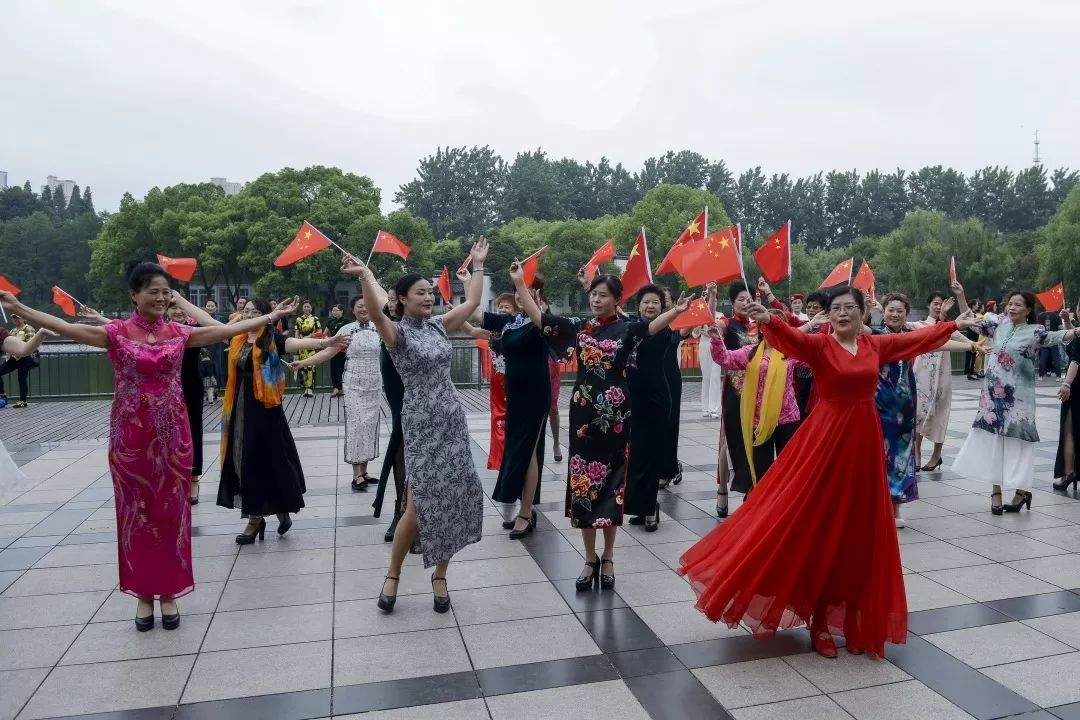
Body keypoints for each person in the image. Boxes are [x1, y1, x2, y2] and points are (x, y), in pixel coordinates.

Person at [0, 262, 297, 631]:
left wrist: (271, 315)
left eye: (164, 291)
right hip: (130, 440)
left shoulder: (179, 332)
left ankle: (169, 592)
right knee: (135, 516)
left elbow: (226, 330)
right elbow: (65, 327)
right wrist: (20, 309)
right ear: (134, 295)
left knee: (172, 515)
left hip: (174, 438)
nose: (159, 298)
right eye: (152, 291)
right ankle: (143, 594)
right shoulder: (116, 333)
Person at [680, 286, 971, 659]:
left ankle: (851, 618)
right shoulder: (820, 346)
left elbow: (914, 340)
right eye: (837, 308)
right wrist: (769, 319)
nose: (843, 313)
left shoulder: (874, 347)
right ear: (830, 315)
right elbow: (791, 340)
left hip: (864, 446)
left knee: (858, 532)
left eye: (851, 307)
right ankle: (818, 620)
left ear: (864, 313)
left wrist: (948, 325)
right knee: (819, 526)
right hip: (825, 443)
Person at [513, 268, 690, 592]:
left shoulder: (628, 329)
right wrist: (519, 284)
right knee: (583, 488)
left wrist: (676, 311)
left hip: (616, 418)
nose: (596, 299)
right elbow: (540, 318)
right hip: (583, 417)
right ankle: (589, 557)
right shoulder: (580, 328)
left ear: (616, 300)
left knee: (611, 488)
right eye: (593, 294)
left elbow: (651, 327)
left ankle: (608, 557)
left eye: (603, 295)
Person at [342, 239, 489, 615]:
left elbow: (472, 304)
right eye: (420, 293)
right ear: (403, 299)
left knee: (456, 494)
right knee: (418, 502)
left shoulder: (440, 326)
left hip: (451, 416)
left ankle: (440, 575)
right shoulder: (399, 334)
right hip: (421, 419)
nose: (428, 298)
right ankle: (393, 573)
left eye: (429, 292)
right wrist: (364, 278)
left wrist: (479, 266)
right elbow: (376, 316)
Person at [218, 299, 346, 544]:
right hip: (239, 410)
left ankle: (276, 511)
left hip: (266, 413)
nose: (249, 316)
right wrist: (178, 298)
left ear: (267, 316)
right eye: (246, 312)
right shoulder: (237, 338)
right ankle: (256, 518)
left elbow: (297, 343)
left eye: (255, 312)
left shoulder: (272, 340)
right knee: (243, 461)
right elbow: (209, 325)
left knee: (269, 462)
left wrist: (326, 342)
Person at [952, 283, 1079, 514]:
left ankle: (1021, 491)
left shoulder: (1035, 331)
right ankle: (996, 491)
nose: (1012, 307)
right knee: (995, 444)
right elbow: (971, 319)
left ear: (1028, 310)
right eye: (1010, 303)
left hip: (1019, 400)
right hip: (992, 397)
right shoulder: (997, 324)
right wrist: (961, 295)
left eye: (1018, 304)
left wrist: (1077, 330)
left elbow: (1057, 336)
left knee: (1018, 444)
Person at [480, 282, 551, 539]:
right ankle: (521, 506)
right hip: (515, 396)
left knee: (529, 451)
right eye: (518, 293)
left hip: (535, 396)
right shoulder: (511, 322)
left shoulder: (544, 321)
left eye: (527, 294)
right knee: (517, 450)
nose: (521, 297)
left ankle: (526, 512)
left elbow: (541, 322)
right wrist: (473, 274)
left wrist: (523, 285)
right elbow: (475, 315)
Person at [290, 295, 382, 491]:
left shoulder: (380, 327)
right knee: (357, 426)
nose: (364, 309)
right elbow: (327, 352)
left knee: (369, 426)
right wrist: (303, 363)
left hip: (374, 383)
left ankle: (365, 471)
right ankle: (356, 474)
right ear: (353, 310)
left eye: (367, 306)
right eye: (359, 306)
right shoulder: (346, 330)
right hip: (354, 384)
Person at [709, 308, 805, 487]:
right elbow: (724, 358)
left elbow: (815, 357)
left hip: (787, 419)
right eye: (766, 324)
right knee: (762, 473)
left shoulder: (792, 351)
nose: (771, 328)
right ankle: (763, 508)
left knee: (789, 470)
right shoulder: (750, 352)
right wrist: (716, 339)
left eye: (777, 325)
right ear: (760, 327)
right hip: (758, 421)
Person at [624, 285, 684, 531]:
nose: (650, 306)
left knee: (651, 455)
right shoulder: (631, 328)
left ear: (662, 307)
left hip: (657, 399)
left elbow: (662, 329)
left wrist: (676, 311)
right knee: (635, 456)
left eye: (655, 303)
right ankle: (639, 506)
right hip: (632, 399)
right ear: (638, 306)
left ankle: (650, 509)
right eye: (646, 302)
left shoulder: (665, 329)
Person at [913, 292, 979, 472]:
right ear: (928, 305)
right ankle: (916, 452)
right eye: (935, 303)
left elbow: (967, 342)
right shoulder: (919, 325)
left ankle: (936, 455)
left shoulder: (949, 328)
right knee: (919, 413)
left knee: (941, 413)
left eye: (941, 304)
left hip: (942, 378)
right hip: (922, 376)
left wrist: (977, 346)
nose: (938, 306)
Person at [0, 313, 47, 407]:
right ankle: (2, 395)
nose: (15, 319)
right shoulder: (12, 330)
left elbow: (31, 343)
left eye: (17, 317)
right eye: (13, 318)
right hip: (14, 358)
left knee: (21, 378)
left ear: (23, 318)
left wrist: (20, 349)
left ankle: (23, 401)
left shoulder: (28, 328)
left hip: (25, 358)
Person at [1053, 336, 1080, 492]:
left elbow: (1075, 361)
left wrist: (1066, 384)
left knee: (1069, 430)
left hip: (1076, 388)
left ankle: (1069, 472)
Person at [693, 285, 723, 418]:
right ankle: (705, 407)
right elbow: (694, 334)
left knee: (715, 376)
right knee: (706, 377)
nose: (712, 302)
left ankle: (715, 408)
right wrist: (700, 328)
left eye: (715, 300)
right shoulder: (700, 315)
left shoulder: (720, 316)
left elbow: (721, 333)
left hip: (716, 346)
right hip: (704, 346)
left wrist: (711, 333)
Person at [291, 301, 323, 397]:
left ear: (311, 308)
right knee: (302, 366)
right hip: (301, 345)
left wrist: (311, 336)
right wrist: (295, 344)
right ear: (302, 308)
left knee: (311, 366)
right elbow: (296, 332)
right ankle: (305, 388)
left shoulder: (315, 319)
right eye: (304, 307)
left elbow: (320, 331)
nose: (306, 308)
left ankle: (310, 388)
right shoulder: (298, 319)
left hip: (311, 344)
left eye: (308, 307)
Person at [325, 304, 349, 397]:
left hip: (343, 348)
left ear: (341, 311)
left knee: (342, 368)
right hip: (333, 347)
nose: (334, 312)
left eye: (336, 310)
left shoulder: (346, 321)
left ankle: (341, 388)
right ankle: (335, 388)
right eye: (333, 310)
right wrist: (327, 338)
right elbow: (325, 333)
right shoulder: (330, 321)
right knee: (334, 368)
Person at [1038, 307, 1064, 378]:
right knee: (1056, 358)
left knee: (1043, 358)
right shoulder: (1057, 316)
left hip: (1044, 339)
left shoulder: (1040, 315)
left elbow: (1037, 328)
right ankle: (1058, 376)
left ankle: (1041, 375)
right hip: (1054, 339)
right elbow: (1061, 328)